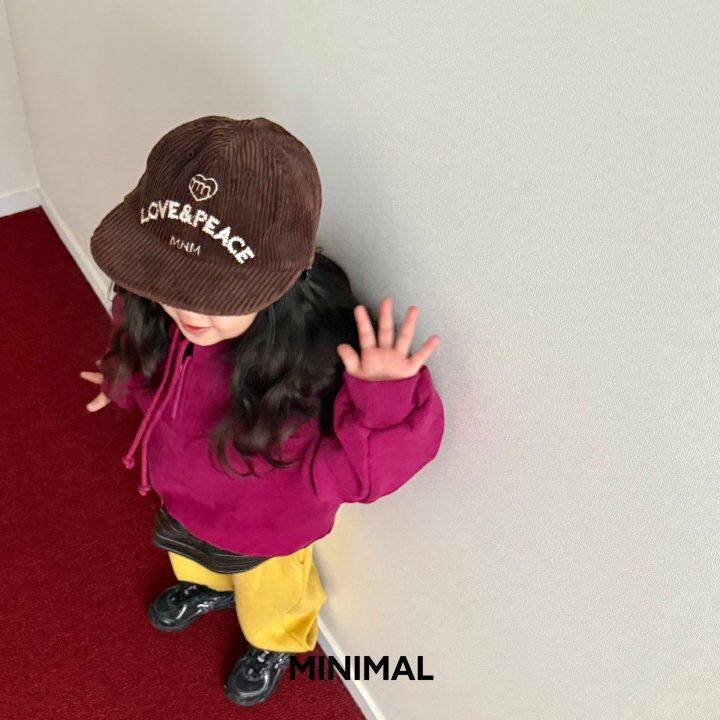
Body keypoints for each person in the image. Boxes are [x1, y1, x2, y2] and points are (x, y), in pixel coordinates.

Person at [79, 115, 445, 707]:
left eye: (215, 293)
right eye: (169, 282)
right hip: (182, 501)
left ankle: (275, 644)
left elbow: (364, 475)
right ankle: (210, 588)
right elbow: (154, 377)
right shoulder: (161, 319)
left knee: (271, 603)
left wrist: (382, 398)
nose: (185, 310)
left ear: (282, 285)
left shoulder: (309, 372)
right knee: (190, 560)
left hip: (269, 537)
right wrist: (122, 379)